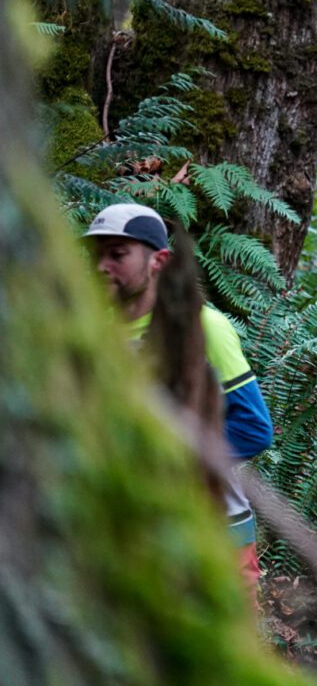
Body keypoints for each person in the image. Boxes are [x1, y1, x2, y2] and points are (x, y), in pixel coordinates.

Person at [85, 203, 274, 584]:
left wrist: (165, 460)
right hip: (129, 537)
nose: (102, 266)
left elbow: (254, 428)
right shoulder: (92, 333)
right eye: (96, 255)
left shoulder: (203, 327)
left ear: (160, 260)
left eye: (118, 254)